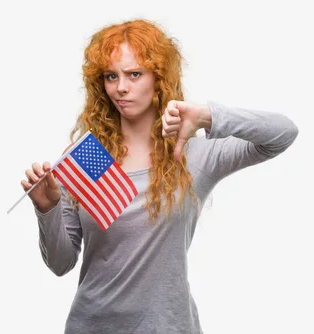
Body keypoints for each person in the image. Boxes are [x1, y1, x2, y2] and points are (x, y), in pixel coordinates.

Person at [21, 18, 299, 333]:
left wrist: (208, 117)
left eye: (134, 74)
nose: (120, 87)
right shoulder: (89, 158)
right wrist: (47, 210)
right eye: (111, 76)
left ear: (159, 78)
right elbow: (61, 263)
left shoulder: (193, 156)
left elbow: (282, 133)